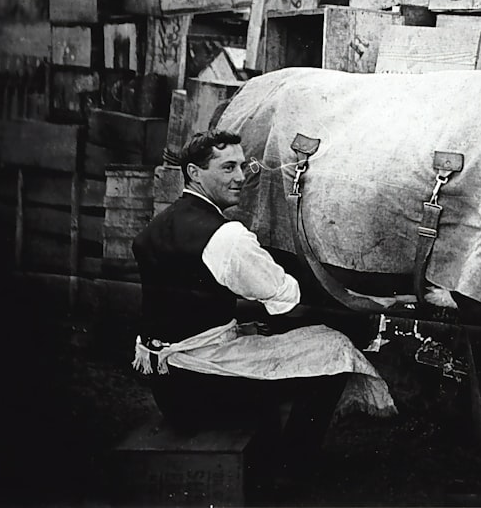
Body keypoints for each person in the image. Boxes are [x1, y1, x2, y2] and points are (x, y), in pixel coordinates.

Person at [131, 129, 395, 476]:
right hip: (198, 388)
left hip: (165, 383)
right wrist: (351, 307)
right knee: (334, 348)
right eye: (227, 168)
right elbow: (286, 301)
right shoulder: (225, 236)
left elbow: (190, 303)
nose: (241, 178)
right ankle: (293, 464)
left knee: (266, 339)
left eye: (243, 166)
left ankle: (271, 449)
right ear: (194, 173)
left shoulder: (157, 226)